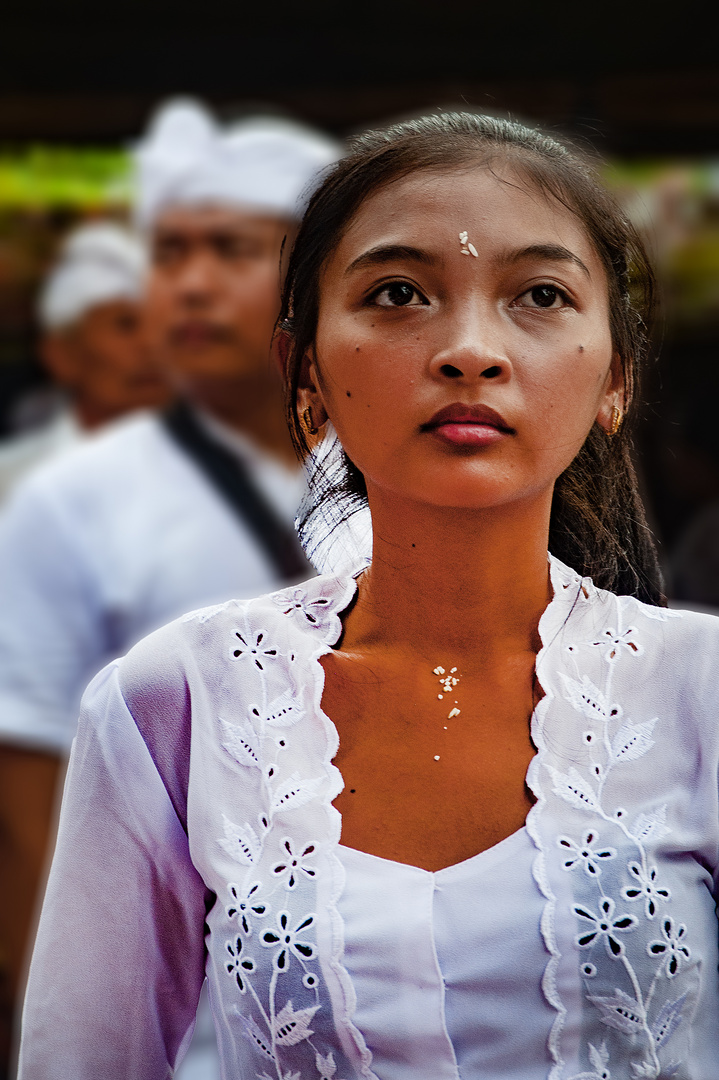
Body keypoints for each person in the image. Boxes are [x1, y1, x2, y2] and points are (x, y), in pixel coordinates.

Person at [18, 113, 719, 1079]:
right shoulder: (174, 704)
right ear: (304, 370)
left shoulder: (702, 696)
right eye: (398, 293)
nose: (469, 350)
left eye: (540, 295)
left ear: (616, 380)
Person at [0, 100, 338, 1077]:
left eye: (229, 250)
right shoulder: (74, 501)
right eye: (170, 253)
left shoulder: (407, 470)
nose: (187, 284)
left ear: (319, 276)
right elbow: (29, 786)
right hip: (192, 1031)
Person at [0, 221, 166, 503]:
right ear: (61, 356)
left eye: (164, 324)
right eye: (126, 325)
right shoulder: (12, 484)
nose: (151, 344)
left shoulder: (234, 476)